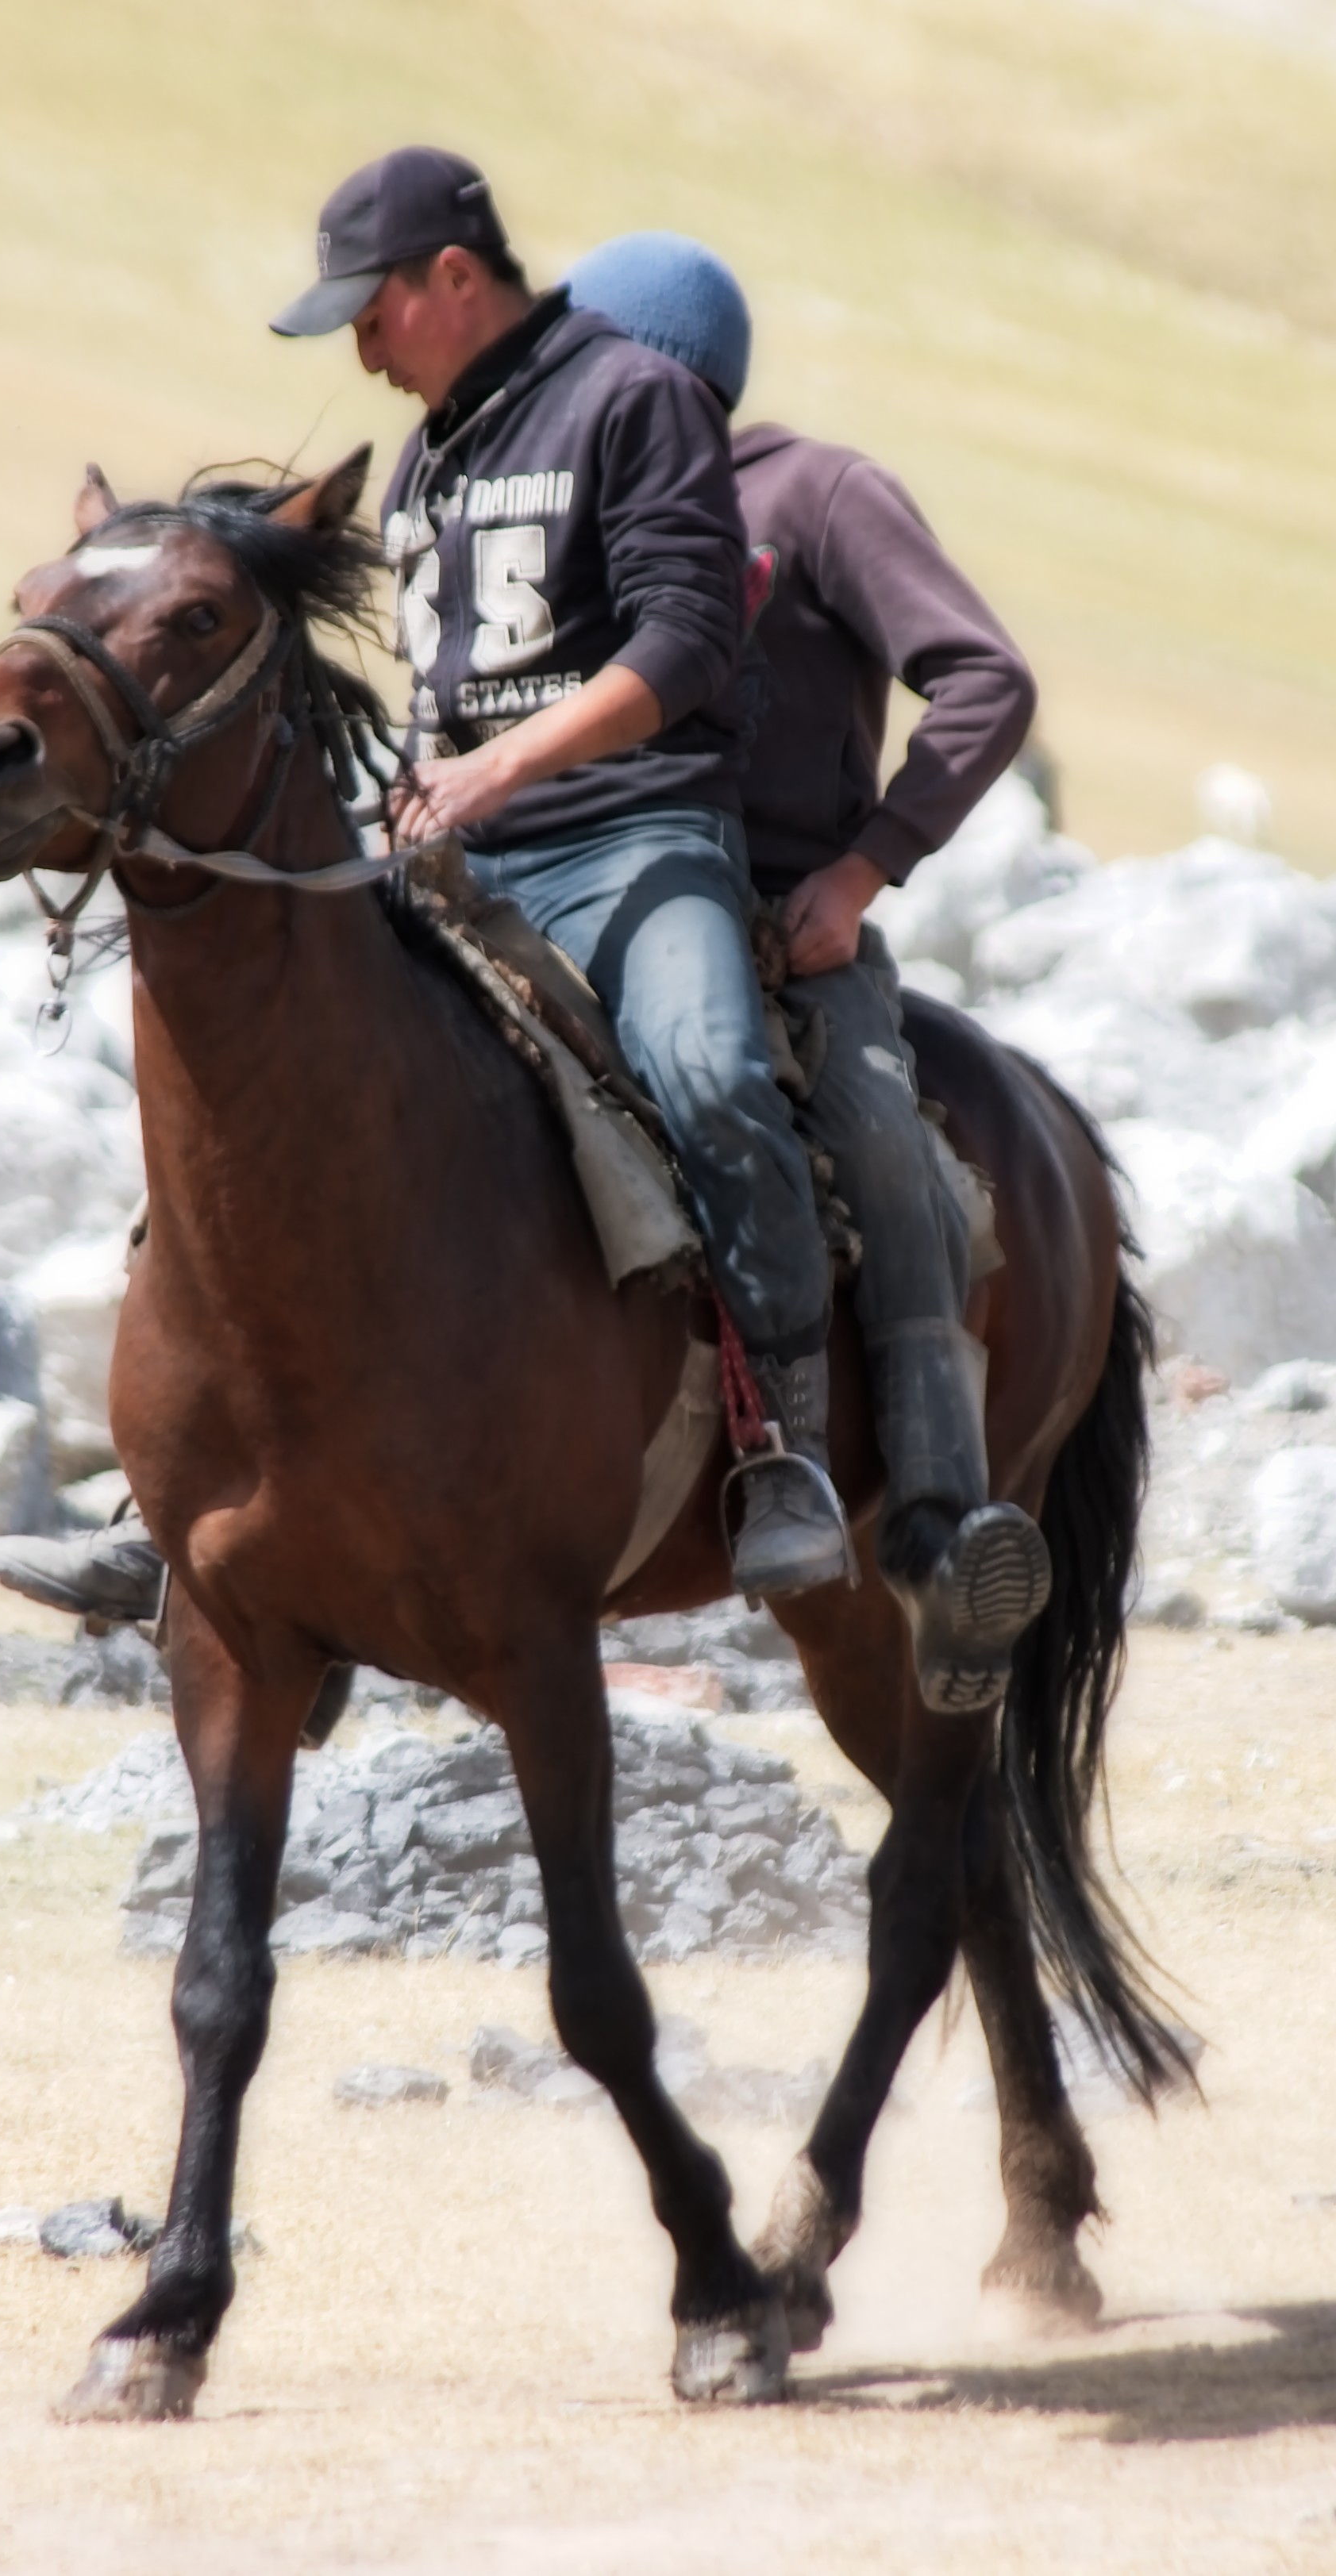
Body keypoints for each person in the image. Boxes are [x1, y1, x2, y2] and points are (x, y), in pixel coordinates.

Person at [0, 148, 854, 1628]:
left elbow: (691, 641)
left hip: (634, 844)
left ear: (453, 279)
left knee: (709, 1073)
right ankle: (187, 1492)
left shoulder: (628, 400)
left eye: (369, 315)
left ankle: (786, 1448)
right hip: (457, 852)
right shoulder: (436, 446)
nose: (361, 351)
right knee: (272, 1087)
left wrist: (503, 768)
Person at [559, 230, 1051, 1714]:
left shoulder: (816, 492)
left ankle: (941, 1526)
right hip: (581, 896)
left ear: (656, 376)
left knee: (885, 1147)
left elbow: (983, 676)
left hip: (785, 922)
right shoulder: (564, 511)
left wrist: (864, 866)